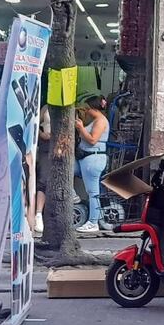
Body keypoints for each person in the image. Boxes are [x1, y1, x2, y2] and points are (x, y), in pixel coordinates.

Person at [74, 91, 110, 233]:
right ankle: (74, 197)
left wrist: (81, 128)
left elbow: (92, 139)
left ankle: (93, 222)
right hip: (85, 158)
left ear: (94, 108)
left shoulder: (101, 121)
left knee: (92, 191)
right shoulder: (95, 121)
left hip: (93, 159)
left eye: (87, 108)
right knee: (68, 170)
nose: (86, 111)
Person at [30, 104, 51, 236]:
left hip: (61, 145)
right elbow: (35, 123)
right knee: (43, 179)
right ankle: (38, 215)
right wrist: (41, 134)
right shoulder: (46, 107)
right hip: (46, 145)